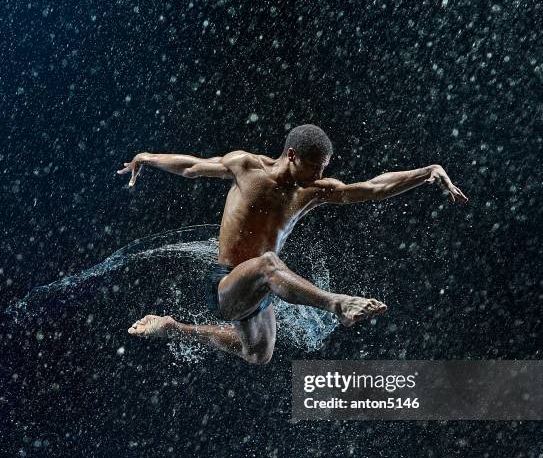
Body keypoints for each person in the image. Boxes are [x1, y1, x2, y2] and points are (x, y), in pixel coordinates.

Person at [118, 124, 468, 365]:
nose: (318, 177)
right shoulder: (246, 167)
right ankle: (338, 304)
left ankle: (173, 328)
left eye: (323, 169)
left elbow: (373, 187)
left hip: (261, 289)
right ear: (292, 155)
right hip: (227, 283)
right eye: (313, 168)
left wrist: (426, 172)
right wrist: (147, 157)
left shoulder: (312, 192)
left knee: (257, 354)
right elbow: (193, 167)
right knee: (270, 262)